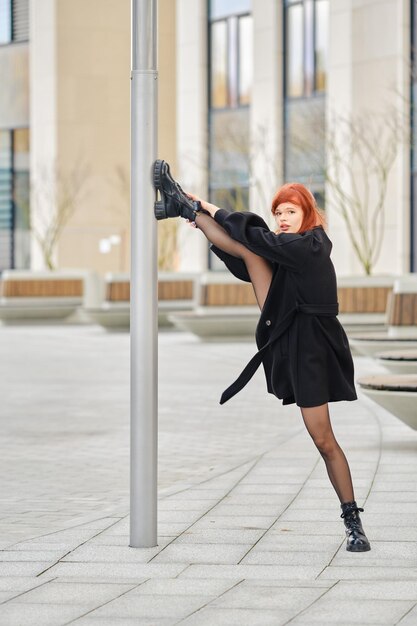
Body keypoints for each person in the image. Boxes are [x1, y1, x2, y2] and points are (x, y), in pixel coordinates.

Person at [153, 159, 371, 552]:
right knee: (251, 253)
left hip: (315, 347)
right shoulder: (284, 249)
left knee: (323, 438)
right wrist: (204, 219)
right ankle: (182, 206)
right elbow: (247, 256)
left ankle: (352, 520)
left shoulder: (314, 243)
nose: (283, 218)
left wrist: (211, 210)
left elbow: (258, 240)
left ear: (307, 214)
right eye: (279, 212)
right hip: (289, 330)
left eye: (291, 211)